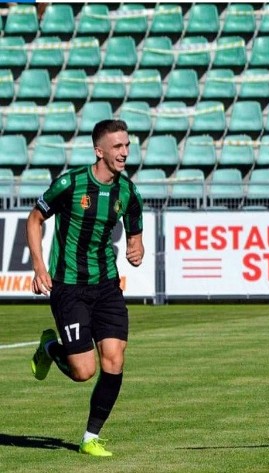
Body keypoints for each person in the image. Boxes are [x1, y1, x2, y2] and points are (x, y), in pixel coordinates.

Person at [27, 119, 144, 457]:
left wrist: (137, 249)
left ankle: (90, 436)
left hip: (107, 286)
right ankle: (50, 347)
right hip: (70, 287)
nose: (124, 152)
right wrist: (38, 266)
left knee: (114, 360)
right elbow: (34, 219)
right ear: (100, 151)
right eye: (118, 147)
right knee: (83, 371)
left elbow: (135, 235)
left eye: (127, 145)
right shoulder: (71, 183)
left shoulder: (128, 191)